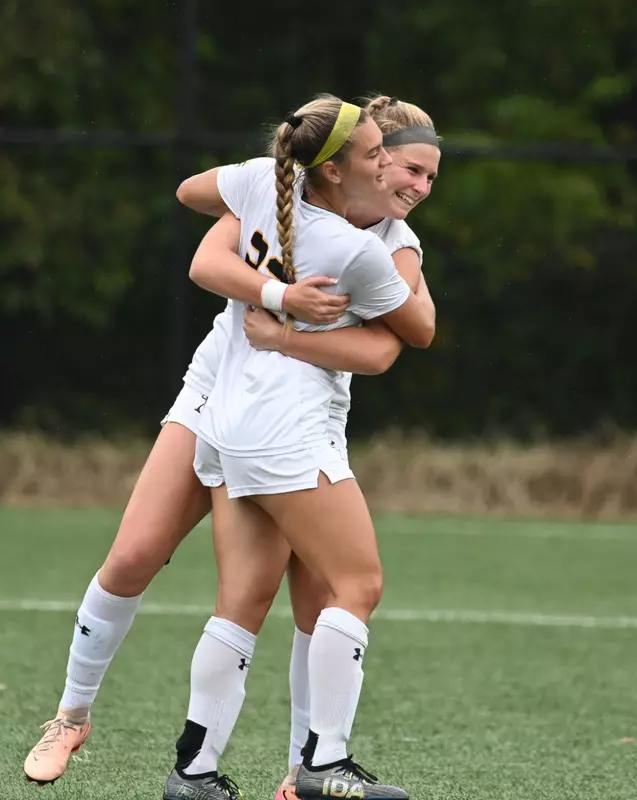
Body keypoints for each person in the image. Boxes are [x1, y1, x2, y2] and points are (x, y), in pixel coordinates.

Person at [22, 96, 440, 798]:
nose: (417, 185)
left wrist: (284, 332)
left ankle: (278, 773)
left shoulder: (391, 242)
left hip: (280, 415)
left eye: (429, 175)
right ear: (352, 165)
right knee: (136, 556)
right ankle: (72, 717)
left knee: (288, 600)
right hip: (227, 398)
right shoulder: (279, 191)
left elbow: (399, 336)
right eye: (403, 167)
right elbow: (208, 259)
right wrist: (280, 299)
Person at [163, 93, 438, 800]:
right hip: (287, 428)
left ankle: (193, 774)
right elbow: (411, 335)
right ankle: (323, 764)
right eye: (380, 157)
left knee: (241, 603)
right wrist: (407, 261)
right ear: (338, 169)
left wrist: (274, 290)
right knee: (358, 585)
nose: (394, 171)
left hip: (229, 418)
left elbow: (192, 195)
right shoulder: (358, 247)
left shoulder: (265, 187)